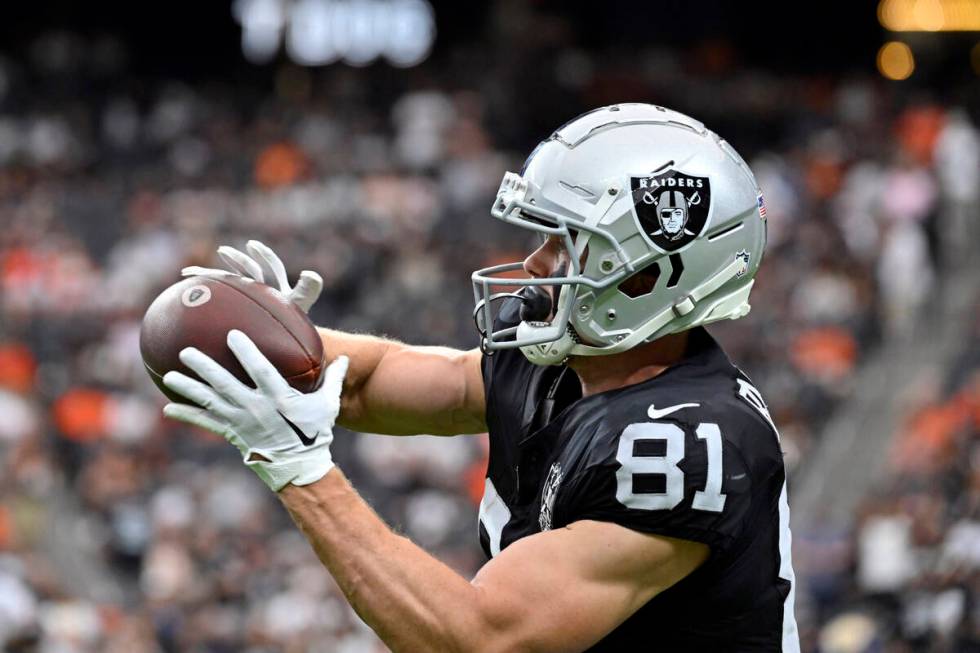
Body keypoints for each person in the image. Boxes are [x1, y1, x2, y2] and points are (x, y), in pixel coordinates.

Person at [161, 104, 799, 651]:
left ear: (643, 276)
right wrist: (277, 343)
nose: (534, 262)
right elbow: (367, 382)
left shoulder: (689, 445)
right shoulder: (568, 356)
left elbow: (479, 638)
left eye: (565, 243)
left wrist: (300, 470)